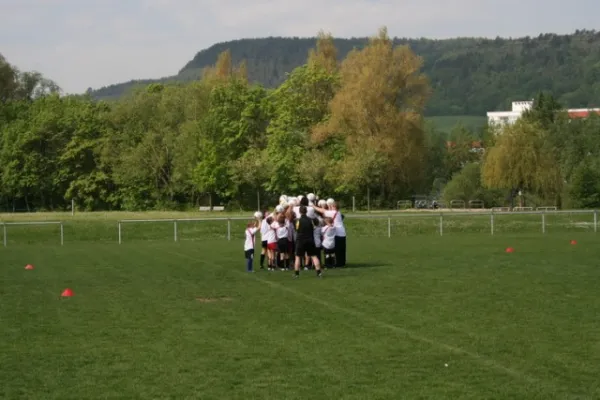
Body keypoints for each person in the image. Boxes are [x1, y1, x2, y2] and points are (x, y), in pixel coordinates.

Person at [314, 200, 346, 267]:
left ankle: (339, 263)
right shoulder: (338, 212)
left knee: (338, 249)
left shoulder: (333, 212)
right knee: (342, 249)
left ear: (334, 207)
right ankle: (342, 263)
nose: (330, 207)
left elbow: (322, 211)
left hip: (338, 233)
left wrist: (313, 206)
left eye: (331, 206)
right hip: (342, 232)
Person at [293, 206, 322, 278]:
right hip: (310, 240)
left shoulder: (297, 220)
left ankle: (296, 274)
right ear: (306, 211)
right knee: (314, 256)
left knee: (298, 257)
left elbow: (296, 229)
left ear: (300, 212)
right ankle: (319, 273)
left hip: (300, 240)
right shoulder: (311, 220)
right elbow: (314, 227)